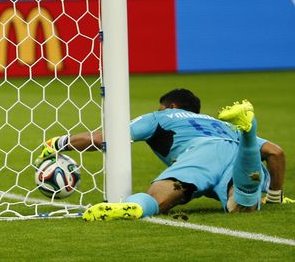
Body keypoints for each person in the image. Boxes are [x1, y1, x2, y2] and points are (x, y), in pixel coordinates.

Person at [37, 89, 290, 221]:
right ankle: (249, 133)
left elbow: (107, 138)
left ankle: (132, 208)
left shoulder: (161, 117)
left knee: (157, 199)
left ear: (171, 106)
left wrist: (59, 143)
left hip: (199, 154)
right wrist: (276, 198)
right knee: (241, 208)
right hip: (232, 150)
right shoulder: (220, 123)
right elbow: (275, 153)